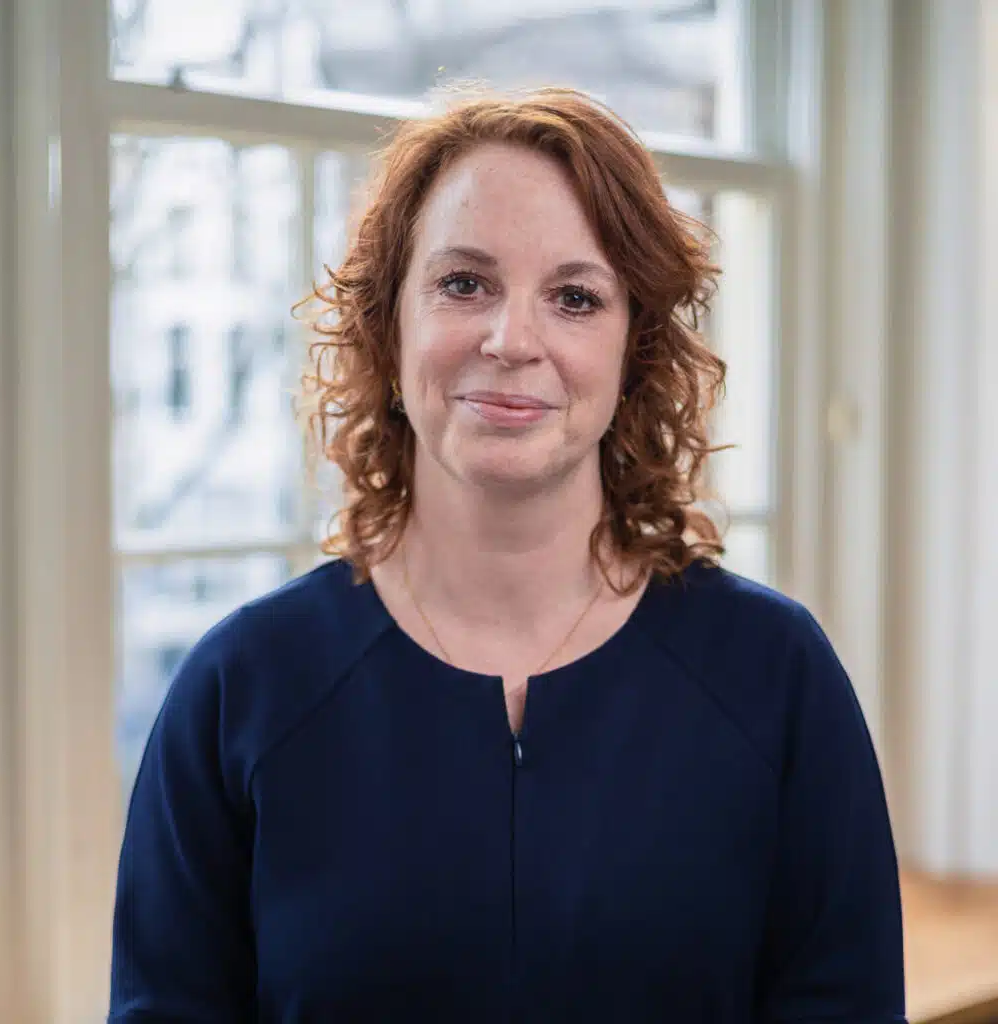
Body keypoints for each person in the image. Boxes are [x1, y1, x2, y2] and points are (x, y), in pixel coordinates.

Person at [109, 87, 906, 1023]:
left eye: (574, 297)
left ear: (635, 351)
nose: (511, 339)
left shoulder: (778, 680)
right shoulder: (240, 689)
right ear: (388, 323)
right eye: (464, 283)